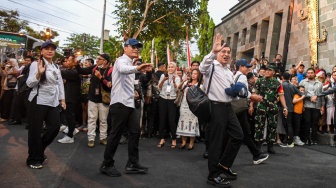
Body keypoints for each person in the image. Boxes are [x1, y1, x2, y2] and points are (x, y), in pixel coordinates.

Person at [100, 38, 152, 177]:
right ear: (125, 48)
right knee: (115, 134)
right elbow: (123, 70)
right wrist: (138, 68)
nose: (136, 49)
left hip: (129, 103)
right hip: (119, 104)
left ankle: (132, 163)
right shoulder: (121, 60)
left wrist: (133, 92)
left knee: (135, 132)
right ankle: (107, 164)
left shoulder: (130, 62)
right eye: (133, 46)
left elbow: (125, 80)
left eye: (137, 47)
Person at [199, 34, 243, 187]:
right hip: (215, 107)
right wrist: (212, 51)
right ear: (218, 53)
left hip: (227, 108)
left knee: (238, 135)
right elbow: (201, 67)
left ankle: (224, 165)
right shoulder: (211, 66)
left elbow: (231, 92)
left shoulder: (229, 71)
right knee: (216, 143)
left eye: (228, 52)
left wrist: (238, 93)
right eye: (223, 51)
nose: (226, 54)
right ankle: (213, 175)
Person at [26, 40, 65, 169]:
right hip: (38, 100)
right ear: (41, 51)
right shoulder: (35, 64)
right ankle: (33, 158)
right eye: (47, 48)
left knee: (54, 127)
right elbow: (29, 83)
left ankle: (39, 150)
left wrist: (62, 99)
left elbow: (59, 84)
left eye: (52, 49)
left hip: (52, 101)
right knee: (35, 131)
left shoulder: (56, 66)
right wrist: (39, 73)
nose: (50, 51)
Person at [233, 59, 268, 164]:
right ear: (240, 67)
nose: (248, 69)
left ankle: (256, 154)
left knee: (244, 133)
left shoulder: (234, 76)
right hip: (240, 108)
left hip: (236, 108)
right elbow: (241, 91)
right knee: (245, 133)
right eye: (246, 67)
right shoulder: (242, 77)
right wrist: (254, 97)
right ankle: (256, 155)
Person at [76, 53, 112, 148]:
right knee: (91, 119)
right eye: (97, 58)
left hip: (103, 99)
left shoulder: (110, 71)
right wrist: (76, 63)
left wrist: (101, 77)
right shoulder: (94, 68)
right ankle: (91, 138)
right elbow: (81, 70)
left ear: (105, 61)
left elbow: (109, 85)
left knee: (103, 120)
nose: (97, 60)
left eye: (99, 59)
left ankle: (103, 137)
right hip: (92, 98)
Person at [253, 64, 288, 154]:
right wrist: (251, 106)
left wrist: (285, 107)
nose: (267, 71)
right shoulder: (259, 81)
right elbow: (254, 94)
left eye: (269, 70)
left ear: (273, 72)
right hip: (261, 106)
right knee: (259, 126)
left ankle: (270, 146)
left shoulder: (278, 83)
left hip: (273, 107)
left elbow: (281, 95)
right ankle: (258, 145)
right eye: (266, 70)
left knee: (272, 126)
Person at [57, 54, 81, 143]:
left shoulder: (74, 72)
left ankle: (70, 136)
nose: (67, 62)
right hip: (69, 96)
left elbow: (60, 72)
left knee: (70, 116)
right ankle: (72, 130)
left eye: (69, 60)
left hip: (71, 97)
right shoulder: (71, 70)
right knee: (69, 116)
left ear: (74, 62)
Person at [156, 62, 181, 148]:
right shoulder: (163, 76)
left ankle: (174, 139)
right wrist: (164, 80)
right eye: (169, 67)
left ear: (175, 68)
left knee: (171, 120)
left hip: (172, 99)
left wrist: (174, 81)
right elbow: (159, 87)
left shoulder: (177, 78)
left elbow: (177, 89)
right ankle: (162, 139)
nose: (170, 69)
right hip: (163, 98)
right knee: (162, 119)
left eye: (172, 67)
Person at [176, 69, 201, 150]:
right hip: (184, 105)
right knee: (183, 122)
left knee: (192, 123)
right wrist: (184, 81)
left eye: (195, 74)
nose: (193, 75)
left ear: (198, 75)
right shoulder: (187, 83)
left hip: (193, 106)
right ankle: (183, 142)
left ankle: (191, 143)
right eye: (192, 73)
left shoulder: (200, 85)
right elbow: (178, 88)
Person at [299, 68, 324, 145]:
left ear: (314, 74)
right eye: (308, 73)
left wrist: (322, 106)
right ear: (306, 74)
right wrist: (307, 100)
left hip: (316, 106)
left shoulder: (319, 83)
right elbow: (300, 94)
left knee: (314, 123)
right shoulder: (302, 82)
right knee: (306, 122)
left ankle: (314, 139)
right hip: (306, 105)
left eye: (311, 73)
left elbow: (322, 95)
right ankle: (306, 139)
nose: (310, 74)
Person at [280, 72, 303, 147]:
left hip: (284, 107)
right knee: (289, 124)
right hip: (291, 107)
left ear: (282, 77)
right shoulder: (293, 86)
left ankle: (290, 142)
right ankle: (289, 141)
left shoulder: (282, 85)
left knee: (287, 125)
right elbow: (301, 93)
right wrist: (301, 98)